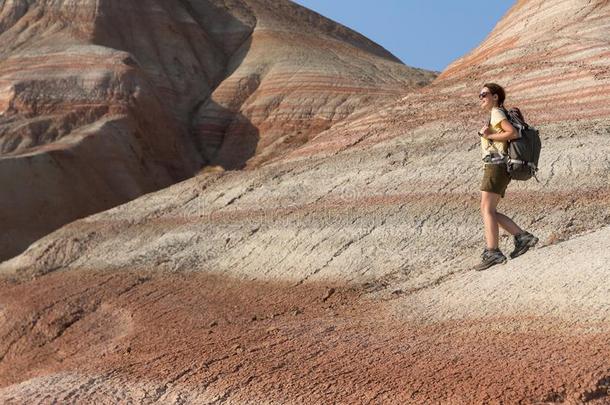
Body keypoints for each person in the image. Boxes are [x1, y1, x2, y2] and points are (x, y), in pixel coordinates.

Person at [474, 83, 538, 271]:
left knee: (486, 209)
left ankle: (493, 251)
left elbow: (513, 132)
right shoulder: (495, 114)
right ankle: (522, 237)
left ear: (495, 96)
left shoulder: (497, 113)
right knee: (490, 210)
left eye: (484, 94)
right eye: (479, 95)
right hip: (499, 166)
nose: (481, 97)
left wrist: (490, 135)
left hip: (496, 165)